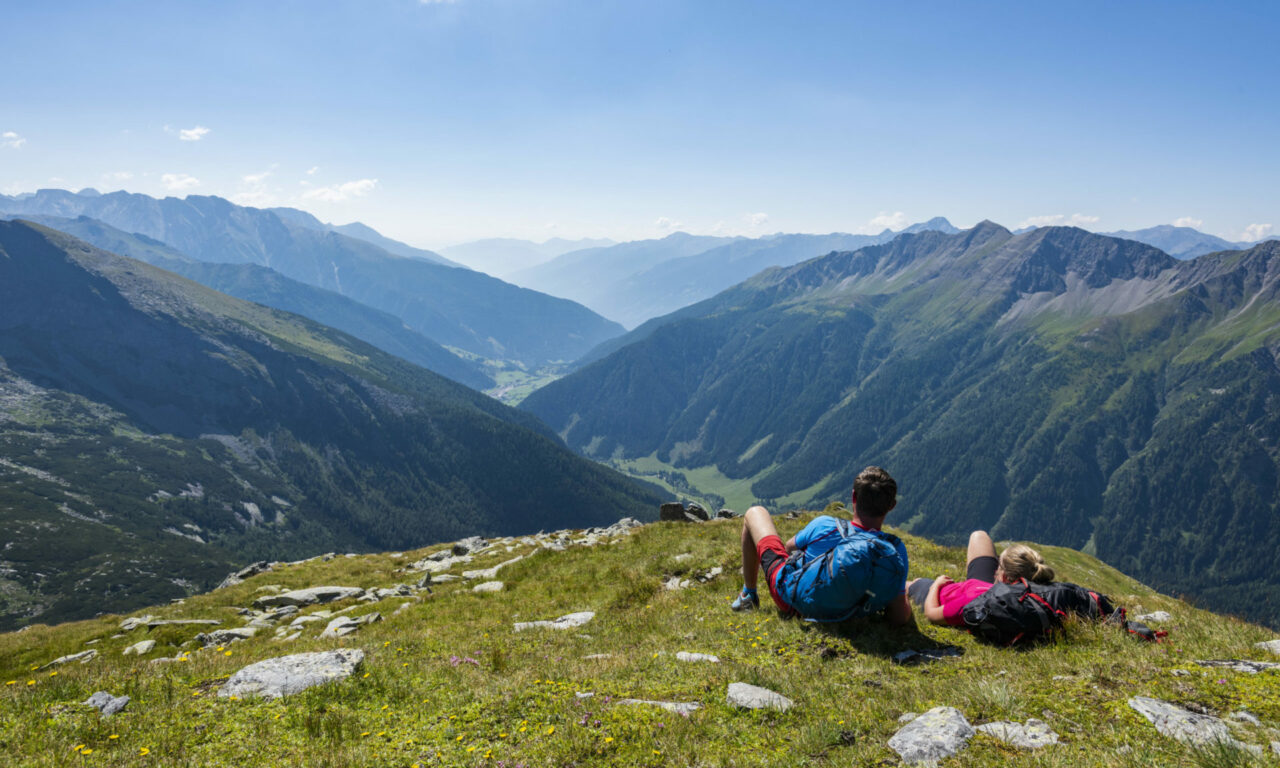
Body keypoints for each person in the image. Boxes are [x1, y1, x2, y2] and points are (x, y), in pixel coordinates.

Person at [730, 466, 912, 626]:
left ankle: (749, 594)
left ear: (853, 497)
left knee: (755, 512)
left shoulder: (824, 525)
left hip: (795, 604)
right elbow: (898, 617)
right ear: (891, 506)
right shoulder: (894, 549)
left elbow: (789, 548)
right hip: (850, 616)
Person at [907, 531, 1055, 626]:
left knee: (911, 584)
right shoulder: (1032, 598)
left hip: (943, 594)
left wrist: (935, 585)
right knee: (979, 536)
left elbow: (931, 614)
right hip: (986, 586)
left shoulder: (974, 602)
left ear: (1003, 576)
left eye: (999, 565)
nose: (995, 569)